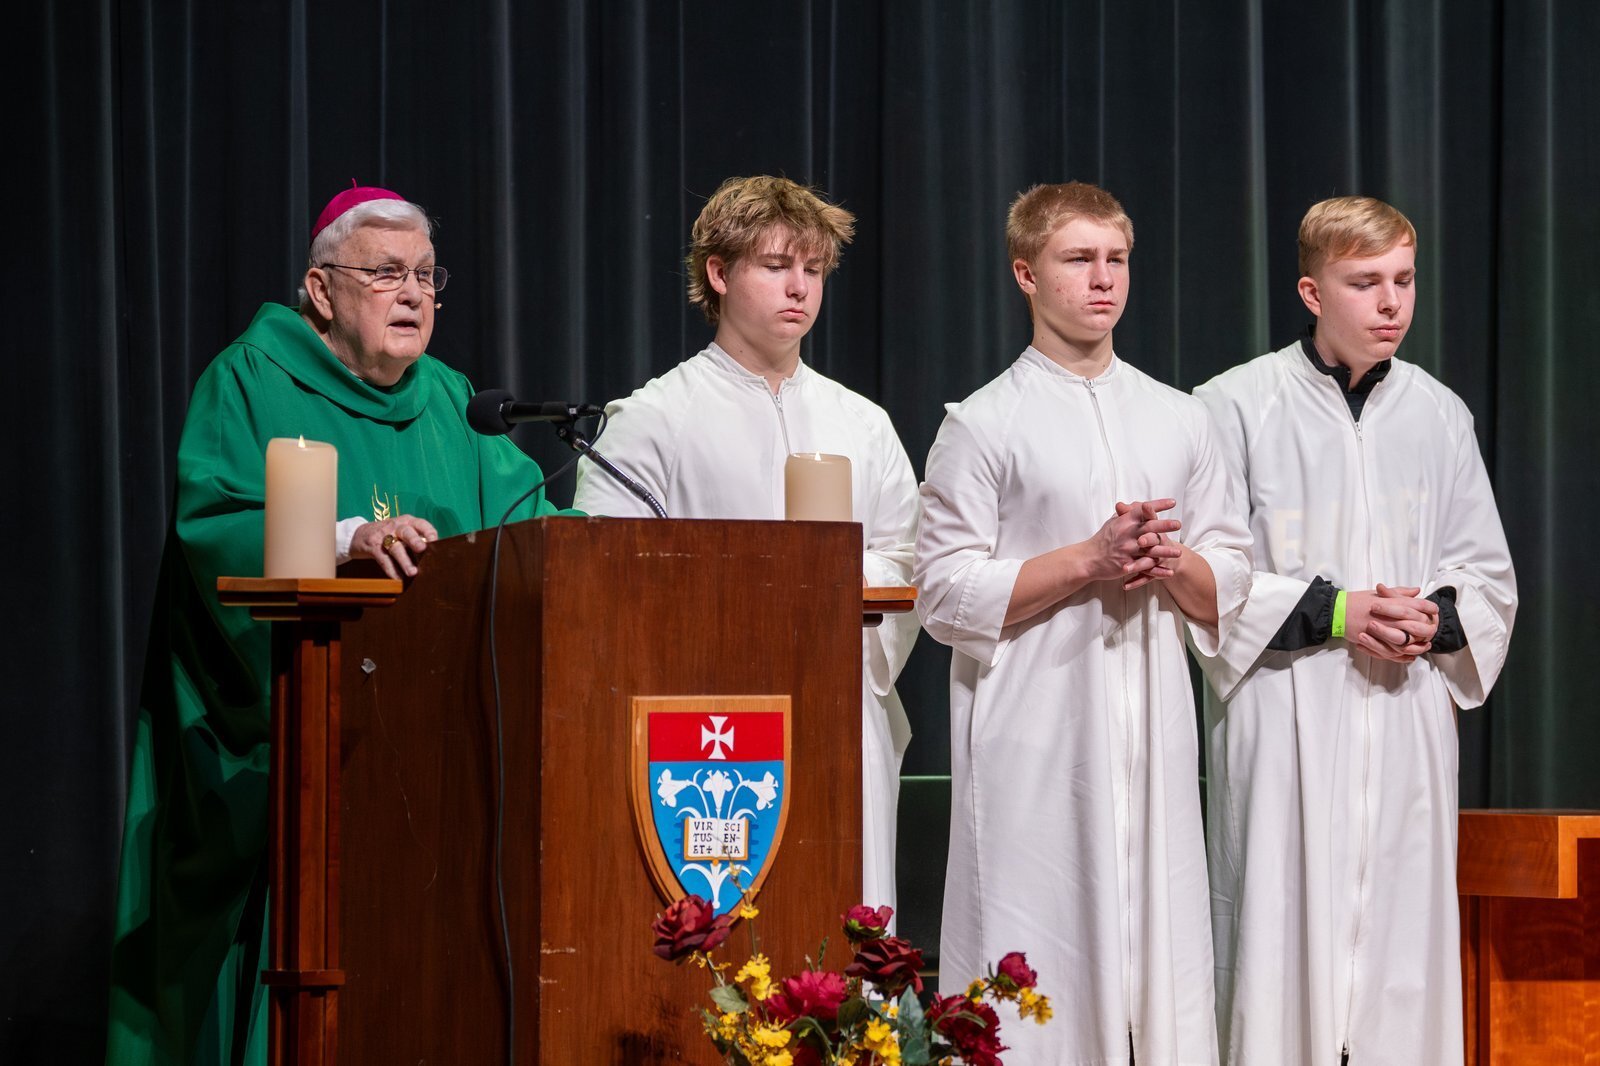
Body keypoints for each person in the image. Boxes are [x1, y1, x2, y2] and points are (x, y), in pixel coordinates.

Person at [106, 186, 571, 1065]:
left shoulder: (451, 400)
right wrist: (350, 536)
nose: (414, 295)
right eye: (387, 274)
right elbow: (214, 523)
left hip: (429, 751)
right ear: (321, 291)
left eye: (427, 276)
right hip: (283, 741)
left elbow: (530, 517)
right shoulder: (249, 377)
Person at [914, 181, 1250, 1065]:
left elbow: (1235, 579)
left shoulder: (1180, 418)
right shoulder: (982, 424)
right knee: (1035, 963)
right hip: (1037, 734)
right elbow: (942, 594)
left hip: (1155, 744)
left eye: (1117, 260)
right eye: (1078, 260)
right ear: (1026, 274)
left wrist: (1172, 564)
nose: (1104, 280)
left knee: (1160, 963)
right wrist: (1088, 560)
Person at [1192, 196, 1517, 1066]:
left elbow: (1486, 577)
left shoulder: (1439, 414)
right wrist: (1339, 611)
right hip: (1286, 707)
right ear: (1311, 290)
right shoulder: (1233, 406)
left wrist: (1434, 619)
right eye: (1364, 282)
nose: (1391, 304)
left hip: (1404, 718)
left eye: (1404, 280)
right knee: (1278, 942)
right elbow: (1208, 576)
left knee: (1400, 954)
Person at [572, 175, 919, 917]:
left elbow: (905, 556)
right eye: (775, 265)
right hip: (709, 722)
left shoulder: (862, 423)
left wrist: (831, 591)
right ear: (719, 273)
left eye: (814, 270)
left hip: (841, 695)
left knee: (842, 916)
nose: (799, 287)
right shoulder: (653, 417)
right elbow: (604, 574)